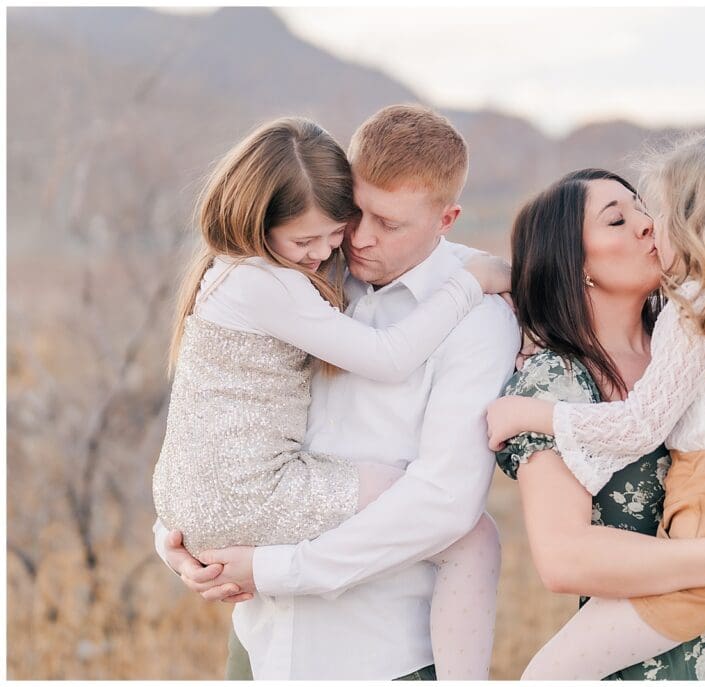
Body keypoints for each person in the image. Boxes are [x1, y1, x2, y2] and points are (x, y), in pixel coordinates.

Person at [153, 106, 521, 680]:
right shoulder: (306, 267)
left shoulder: (476, 323)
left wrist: (274, 568)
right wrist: (178, 543)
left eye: (391, 224)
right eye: (356, 214)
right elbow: (213, 423)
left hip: (375, 655)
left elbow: (443, 504)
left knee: (476, 536)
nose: (359, 240)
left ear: (446, 218)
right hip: (261, 646)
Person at [490, 164, 705, 680]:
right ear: (575, 261)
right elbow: (565, 559)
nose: (646, 224)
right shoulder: (554, 382)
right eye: (615, 220)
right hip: (658, 657)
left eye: (643, 208)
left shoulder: (702, 334)